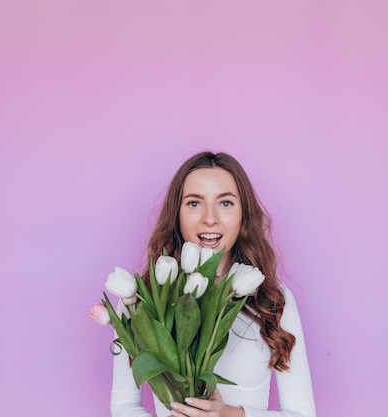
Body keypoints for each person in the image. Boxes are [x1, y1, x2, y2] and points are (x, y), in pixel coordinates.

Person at [110, 151, 315, 417]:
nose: (210, 218)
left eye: (226, 203)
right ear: (177, 215)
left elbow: (302, 413)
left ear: (243, 214)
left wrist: (230, 414)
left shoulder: (272, 299)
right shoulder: (141, 300)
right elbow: (124, 405)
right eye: (194, 203)